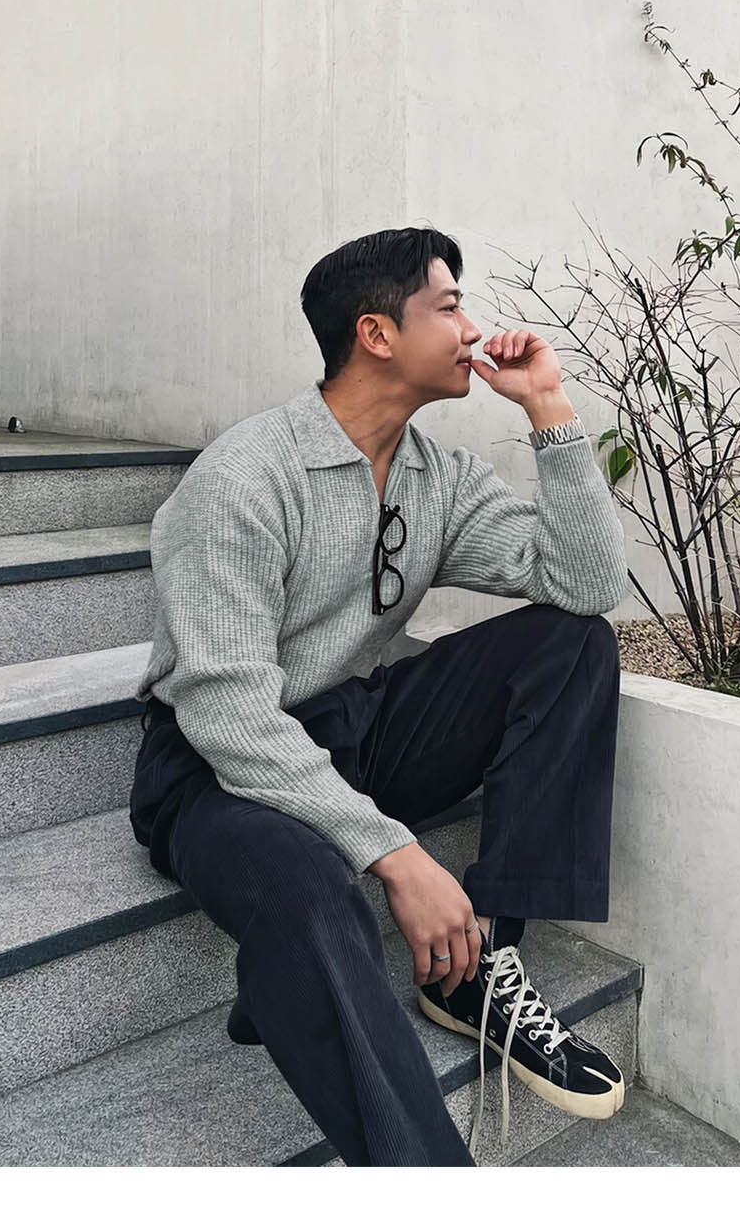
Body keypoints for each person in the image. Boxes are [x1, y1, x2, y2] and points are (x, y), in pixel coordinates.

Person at [130, 226, 629, 1166]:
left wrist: (550, 410)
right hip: (212, 765)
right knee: (313, 888)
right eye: (450, 306)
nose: (473, 328)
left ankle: (476, 965)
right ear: (377, 333)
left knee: (572, 645)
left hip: (348, 724)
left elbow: (587, 582)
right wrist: (398, 855)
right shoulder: (244, 476)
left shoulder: (436, 475)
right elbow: (228, 712)